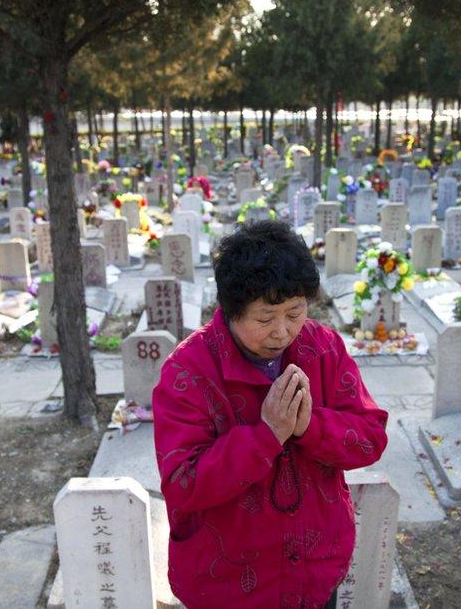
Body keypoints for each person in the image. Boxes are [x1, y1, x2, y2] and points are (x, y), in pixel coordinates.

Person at [153, 220, 388, 608]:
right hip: (227, 582)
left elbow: (371, 436)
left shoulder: (323, 348)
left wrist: (309, 427)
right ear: (230, 310)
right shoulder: (188, 372)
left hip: (314, 567)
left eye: (294, 312)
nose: (282, 332)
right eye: (265, 318)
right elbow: (182, 483)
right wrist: (266, 435)